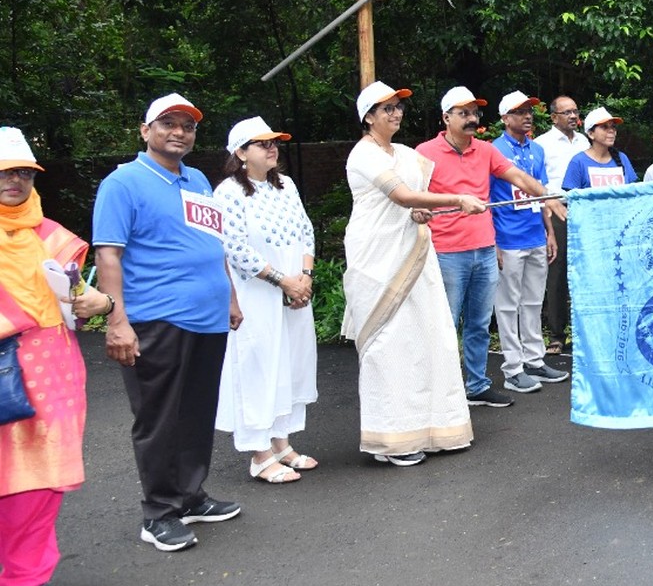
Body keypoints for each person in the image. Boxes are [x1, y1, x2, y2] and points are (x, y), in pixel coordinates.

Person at [93, 93, 243, 551]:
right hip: (156, 319)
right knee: (159, 418)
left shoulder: (197, 179)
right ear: (145, 131)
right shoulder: (123, 183)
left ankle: (190, 495)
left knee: (196, 413)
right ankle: (158, 514)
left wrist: (231, 296)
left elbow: (212, 246)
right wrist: (117, 321)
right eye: (167, 123)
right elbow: (108, 255)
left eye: (188, 126)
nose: (179, 132)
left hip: (208, 318)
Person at [342, 81, 485, 467]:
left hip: (414, 250)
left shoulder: (405, 154)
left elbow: (410, 205)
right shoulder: (363, 154)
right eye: (385, 108)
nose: (395, 113)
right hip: (377, 258)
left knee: (429, 336)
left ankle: (436, 429)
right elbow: (401, 196)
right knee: (388, 344)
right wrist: (456, 199)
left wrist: (422, 212)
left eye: (398, 107)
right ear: (368, 117)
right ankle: (392, 439)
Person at [0, 127, 105, 586]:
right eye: (4, 172)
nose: (14, 180)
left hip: (53, 368)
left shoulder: (52, 236)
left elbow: (80, 301)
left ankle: (23, 580)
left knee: (42, 478)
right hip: (7, 363)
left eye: (22, 172)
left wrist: (96, 303)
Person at [416, 87, 561, 406]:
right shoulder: (424, 152)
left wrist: (549, 198)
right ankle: (440, 392)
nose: (471, 118)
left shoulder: (485, 150)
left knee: (480, 324)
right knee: (445, 323)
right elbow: (412, 195)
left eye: (474, 113)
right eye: (463, 113)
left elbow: (519, 178)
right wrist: (417, 212)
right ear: (446, 117)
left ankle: (477, 385)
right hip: (447, 251)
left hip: (483, 247)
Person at [213, 117, 318, 485]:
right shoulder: (228, 192)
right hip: (256, 293)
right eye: (262, 143)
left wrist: (305, 278)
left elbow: (306, 231)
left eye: (274, 142)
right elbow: (234, 248)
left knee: (290, 363)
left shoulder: (285, 185)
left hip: (294, 292)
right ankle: (259, 453)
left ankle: (282, 443)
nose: (272, 148)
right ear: (241, 152)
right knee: (258, 365)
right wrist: (283, 280)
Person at [489, 91, 569, 394]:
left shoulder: (537, 149)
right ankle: (512, 368)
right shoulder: (494, 150)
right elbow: (485, 198)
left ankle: (534, 360)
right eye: (519, 111)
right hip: (508, 237)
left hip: (535, 233)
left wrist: (549, 231)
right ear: (505, 118)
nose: (527, 116)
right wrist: (493, 241)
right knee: (508, 305)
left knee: (534, 302)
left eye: (530, 110)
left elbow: (542, 193)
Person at [536, 96, 587, 354]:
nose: (572, 116)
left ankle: (583, 333)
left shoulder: (585, 141)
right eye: (566, 112)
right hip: (556, 209)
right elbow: (534, 179)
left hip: (585, 210)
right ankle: (557, 335)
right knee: (557, 271)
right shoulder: (541, 144)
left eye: (575, 111)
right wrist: (548, 206)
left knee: (585, 272)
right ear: (553, 116)